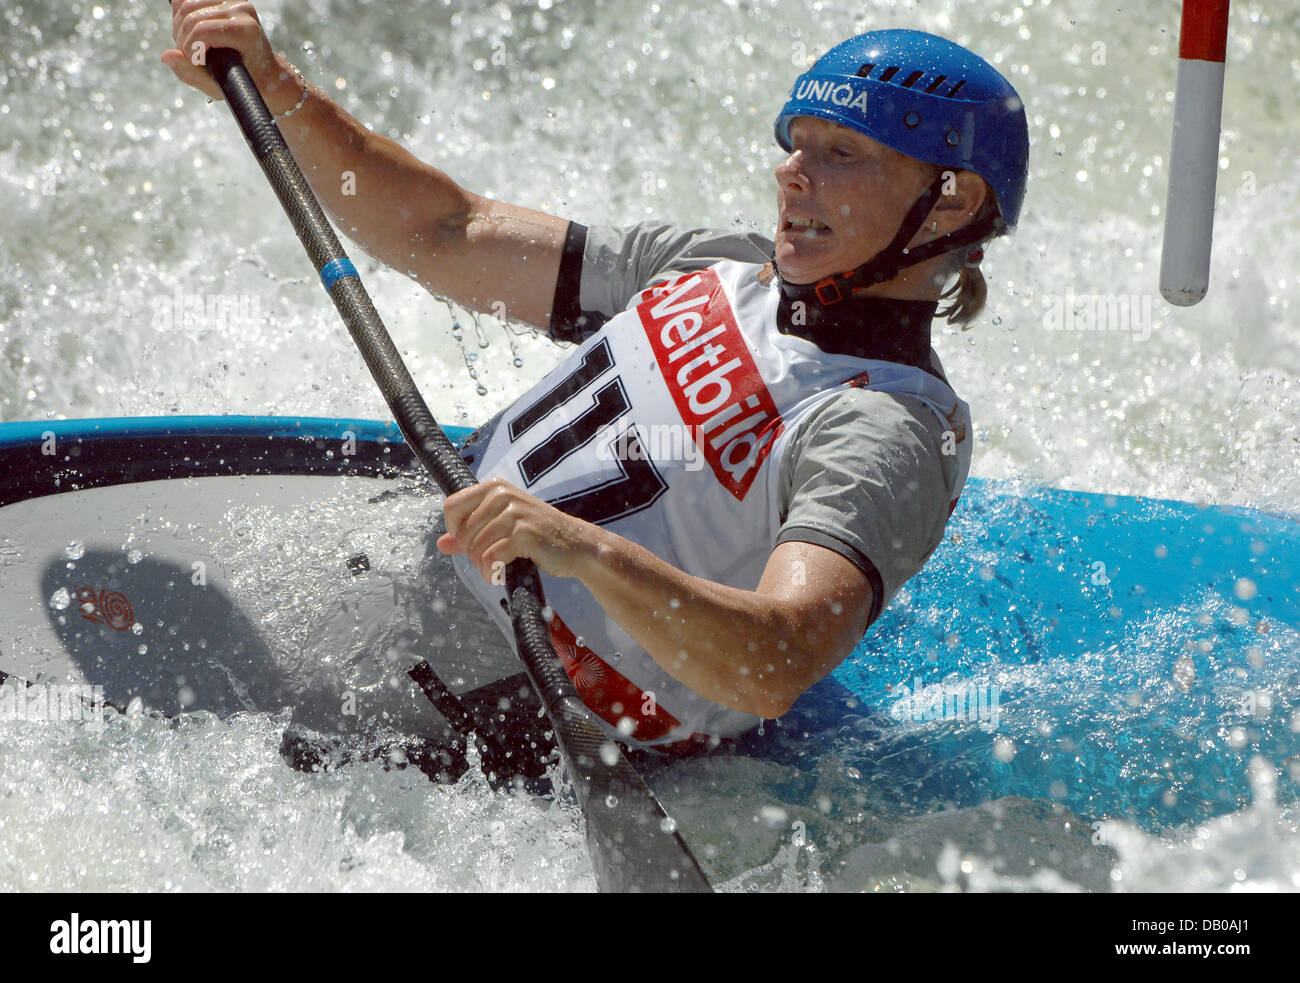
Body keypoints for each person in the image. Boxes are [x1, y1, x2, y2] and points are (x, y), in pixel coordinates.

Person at [163, 2, 1029, 755]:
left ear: (947, 202)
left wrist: (580, 548)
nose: (789, 171)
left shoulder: (881, 425)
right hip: (402, 568)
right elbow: (448, 232)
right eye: (796, 145)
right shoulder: (715, 264)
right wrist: (280, 91)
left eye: (840, 153)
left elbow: (776, 665)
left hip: (504, 720)